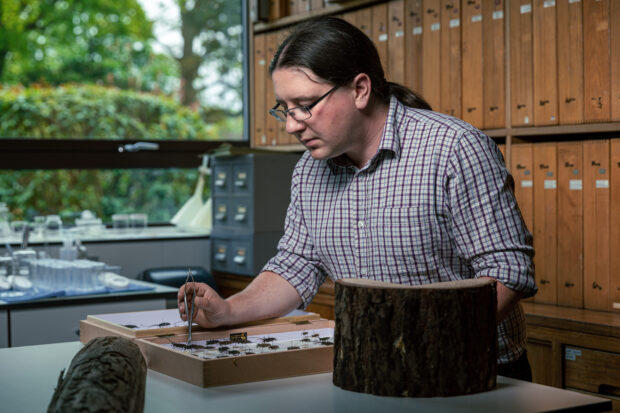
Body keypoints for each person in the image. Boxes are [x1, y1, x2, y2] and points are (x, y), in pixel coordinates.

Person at [179, 16, 537, 381]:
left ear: (360, 89)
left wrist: (430, 344)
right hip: (372, 368)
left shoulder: (454, 148)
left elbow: (507, 269)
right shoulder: (309, 170)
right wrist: (227, 310)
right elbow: (296, 265)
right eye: (285, 108)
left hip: (470, 369)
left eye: (304, 104)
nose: (291, 124)